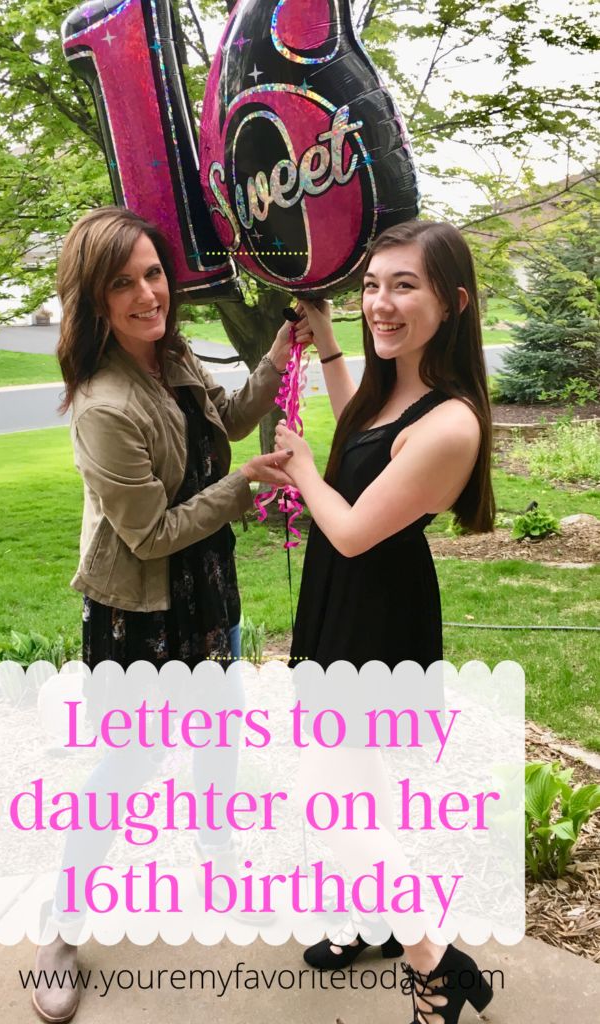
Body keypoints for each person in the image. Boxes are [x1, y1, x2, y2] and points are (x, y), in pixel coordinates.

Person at [31, 205, 308, 1023]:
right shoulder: (103, 406)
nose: (148, 293)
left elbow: (219, 424)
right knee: (123, 773)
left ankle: (217, 863)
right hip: (140, 613)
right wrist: (247, 483)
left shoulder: (169, 353)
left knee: (216, 737)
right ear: (93, 298)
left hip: (205, 592)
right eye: (123, 283)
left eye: (153, 273)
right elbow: (149, 534)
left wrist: (281, 352)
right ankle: (60, 929)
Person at [257, 220, 496, 1023]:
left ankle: (434, 958)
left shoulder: (451, 422)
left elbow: (353, 525)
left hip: (376, 613)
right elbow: (360, 441)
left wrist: (296, 466)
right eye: (371, 284)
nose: (381, 303)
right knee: (355, 790)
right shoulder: (393, 384)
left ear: (453, 302)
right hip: (344, 600)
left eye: (404, 286)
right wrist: (327, 343)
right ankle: (371, 920)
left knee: (329, 793)